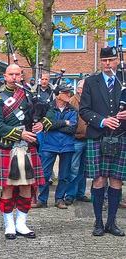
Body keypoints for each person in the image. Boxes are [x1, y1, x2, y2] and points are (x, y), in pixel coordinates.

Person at [0, 64, 45, 239]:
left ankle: (21, 223)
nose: (14, 77)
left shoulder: (30, 95)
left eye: (17, 74)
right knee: (8, 187)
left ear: (22, 76)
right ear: (4, 76)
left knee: (27, 185)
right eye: (10, 74)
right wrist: (20, 133)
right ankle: (9, 224)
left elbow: (48, 112)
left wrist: (42, 123)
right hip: (8, 147)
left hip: (28, 149)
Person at [80, 46, 126, 237]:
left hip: (121, 136)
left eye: (111, 60)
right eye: (105, 61)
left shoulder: (124, 82)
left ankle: (111, 223)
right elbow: (83, 110)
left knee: (116, 180)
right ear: (101, 61)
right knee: (99, 180)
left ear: (117, 60)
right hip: (98, 135)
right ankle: (98, 222)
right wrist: (102, 120)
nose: (108, 64)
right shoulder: (91, 82)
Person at [32, 84, 77, 209]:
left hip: (67, 145)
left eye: (69, 92)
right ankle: (42, 199)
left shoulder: (72, 110)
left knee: (64, 175)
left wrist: (53, 125)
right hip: (49, 145)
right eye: (65, 92)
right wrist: (64, 123)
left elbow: (72, 128)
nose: (69, 95)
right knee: (44, 174)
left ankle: (59, 199)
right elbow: (45, 125)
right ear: (57, 95)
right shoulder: (48, 108)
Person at [65, 79, 91, 204]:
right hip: (76, 139)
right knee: (73, 169)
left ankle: (80, 193)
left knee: (84, 169)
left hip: (88, 138)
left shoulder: (91, 100)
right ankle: (70, 194)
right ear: (79, 89)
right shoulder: (72, 102)